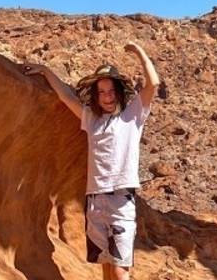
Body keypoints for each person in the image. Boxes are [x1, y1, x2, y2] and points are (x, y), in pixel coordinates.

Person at [24, 42, 159, 279]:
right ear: (96, 97)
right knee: (106, 265)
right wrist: (45, 71)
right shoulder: (92, 119)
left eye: (111, 91)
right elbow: (66, 97)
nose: (107, 97)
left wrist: (139, 52)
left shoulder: (133, 115)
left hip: (120, 199)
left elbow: (153, 83)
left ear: (119, 92)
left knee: (119, 269)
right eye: (102, 92)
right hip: (95, 200)